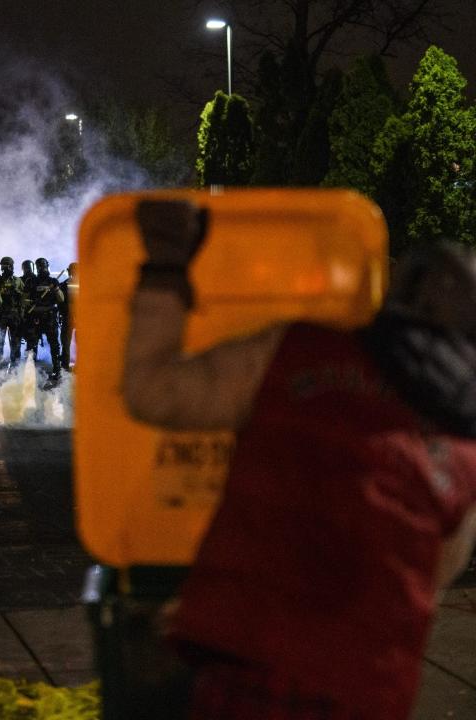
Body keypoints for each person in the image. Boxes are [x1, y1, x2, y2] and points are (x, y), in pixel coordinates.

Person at [121, 199, 476, 720]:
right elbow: (432, 574)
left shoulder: (293, 354)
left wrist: (167, 263)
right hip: (363, 694)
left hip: (241, 670)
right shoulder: (467, 455)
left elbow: (153, 389)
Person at [24, 257, 64, 382]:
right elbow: (24, 299)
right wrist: (31, 301)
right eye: (40, 266)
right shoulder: (32, 282)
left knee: (54, 346)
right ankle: (31, 371)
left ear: (47, 266)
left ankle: (57, 370)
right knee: (31, 346)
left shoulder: (53, 281)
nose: (42, 268)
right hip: (35, 317)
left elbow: (61, 299)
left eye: (44, 266)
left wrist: (56, 289)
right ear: (37, 267)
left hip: (50, 318)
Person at [0, 256, 26, 368]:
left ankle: (15, 367)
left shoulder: (18, 281)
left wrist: (22, 314)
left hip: (15, 315)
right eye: (3, 266)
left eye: (7, 266)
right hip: (2, 314)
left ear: (11, 266)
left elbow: (24, 298)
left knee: (15, 343)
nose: (4, 268)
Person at [59, 261, 78, 371]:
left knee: (65, 343)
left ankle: (65, 366)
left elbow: (60, 302)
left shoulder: (63, 284)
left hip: (68, 317)